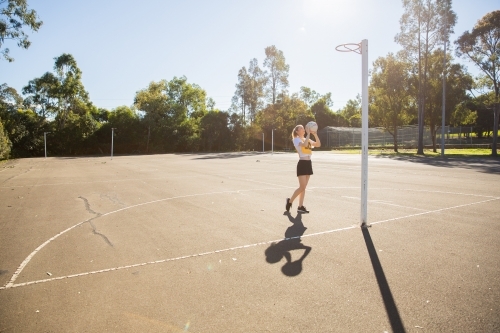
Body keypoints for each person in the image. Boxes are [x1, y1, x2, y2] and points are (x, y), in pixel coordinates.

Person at [286, 124, 321, 213]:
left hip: (308, 163)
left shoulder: (307, 139)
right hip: (302, 164)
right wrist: (309, 134)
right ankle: (289, 201)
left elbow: (318, 144)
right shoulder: (296, 139)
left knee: (304, 187)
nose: (303, 129)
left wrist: (315, 134)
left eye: (303, 128)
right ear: (297, 131)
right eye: (301, 128)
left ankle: (300, 206)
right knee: (302, 187)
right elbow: (304, 144)